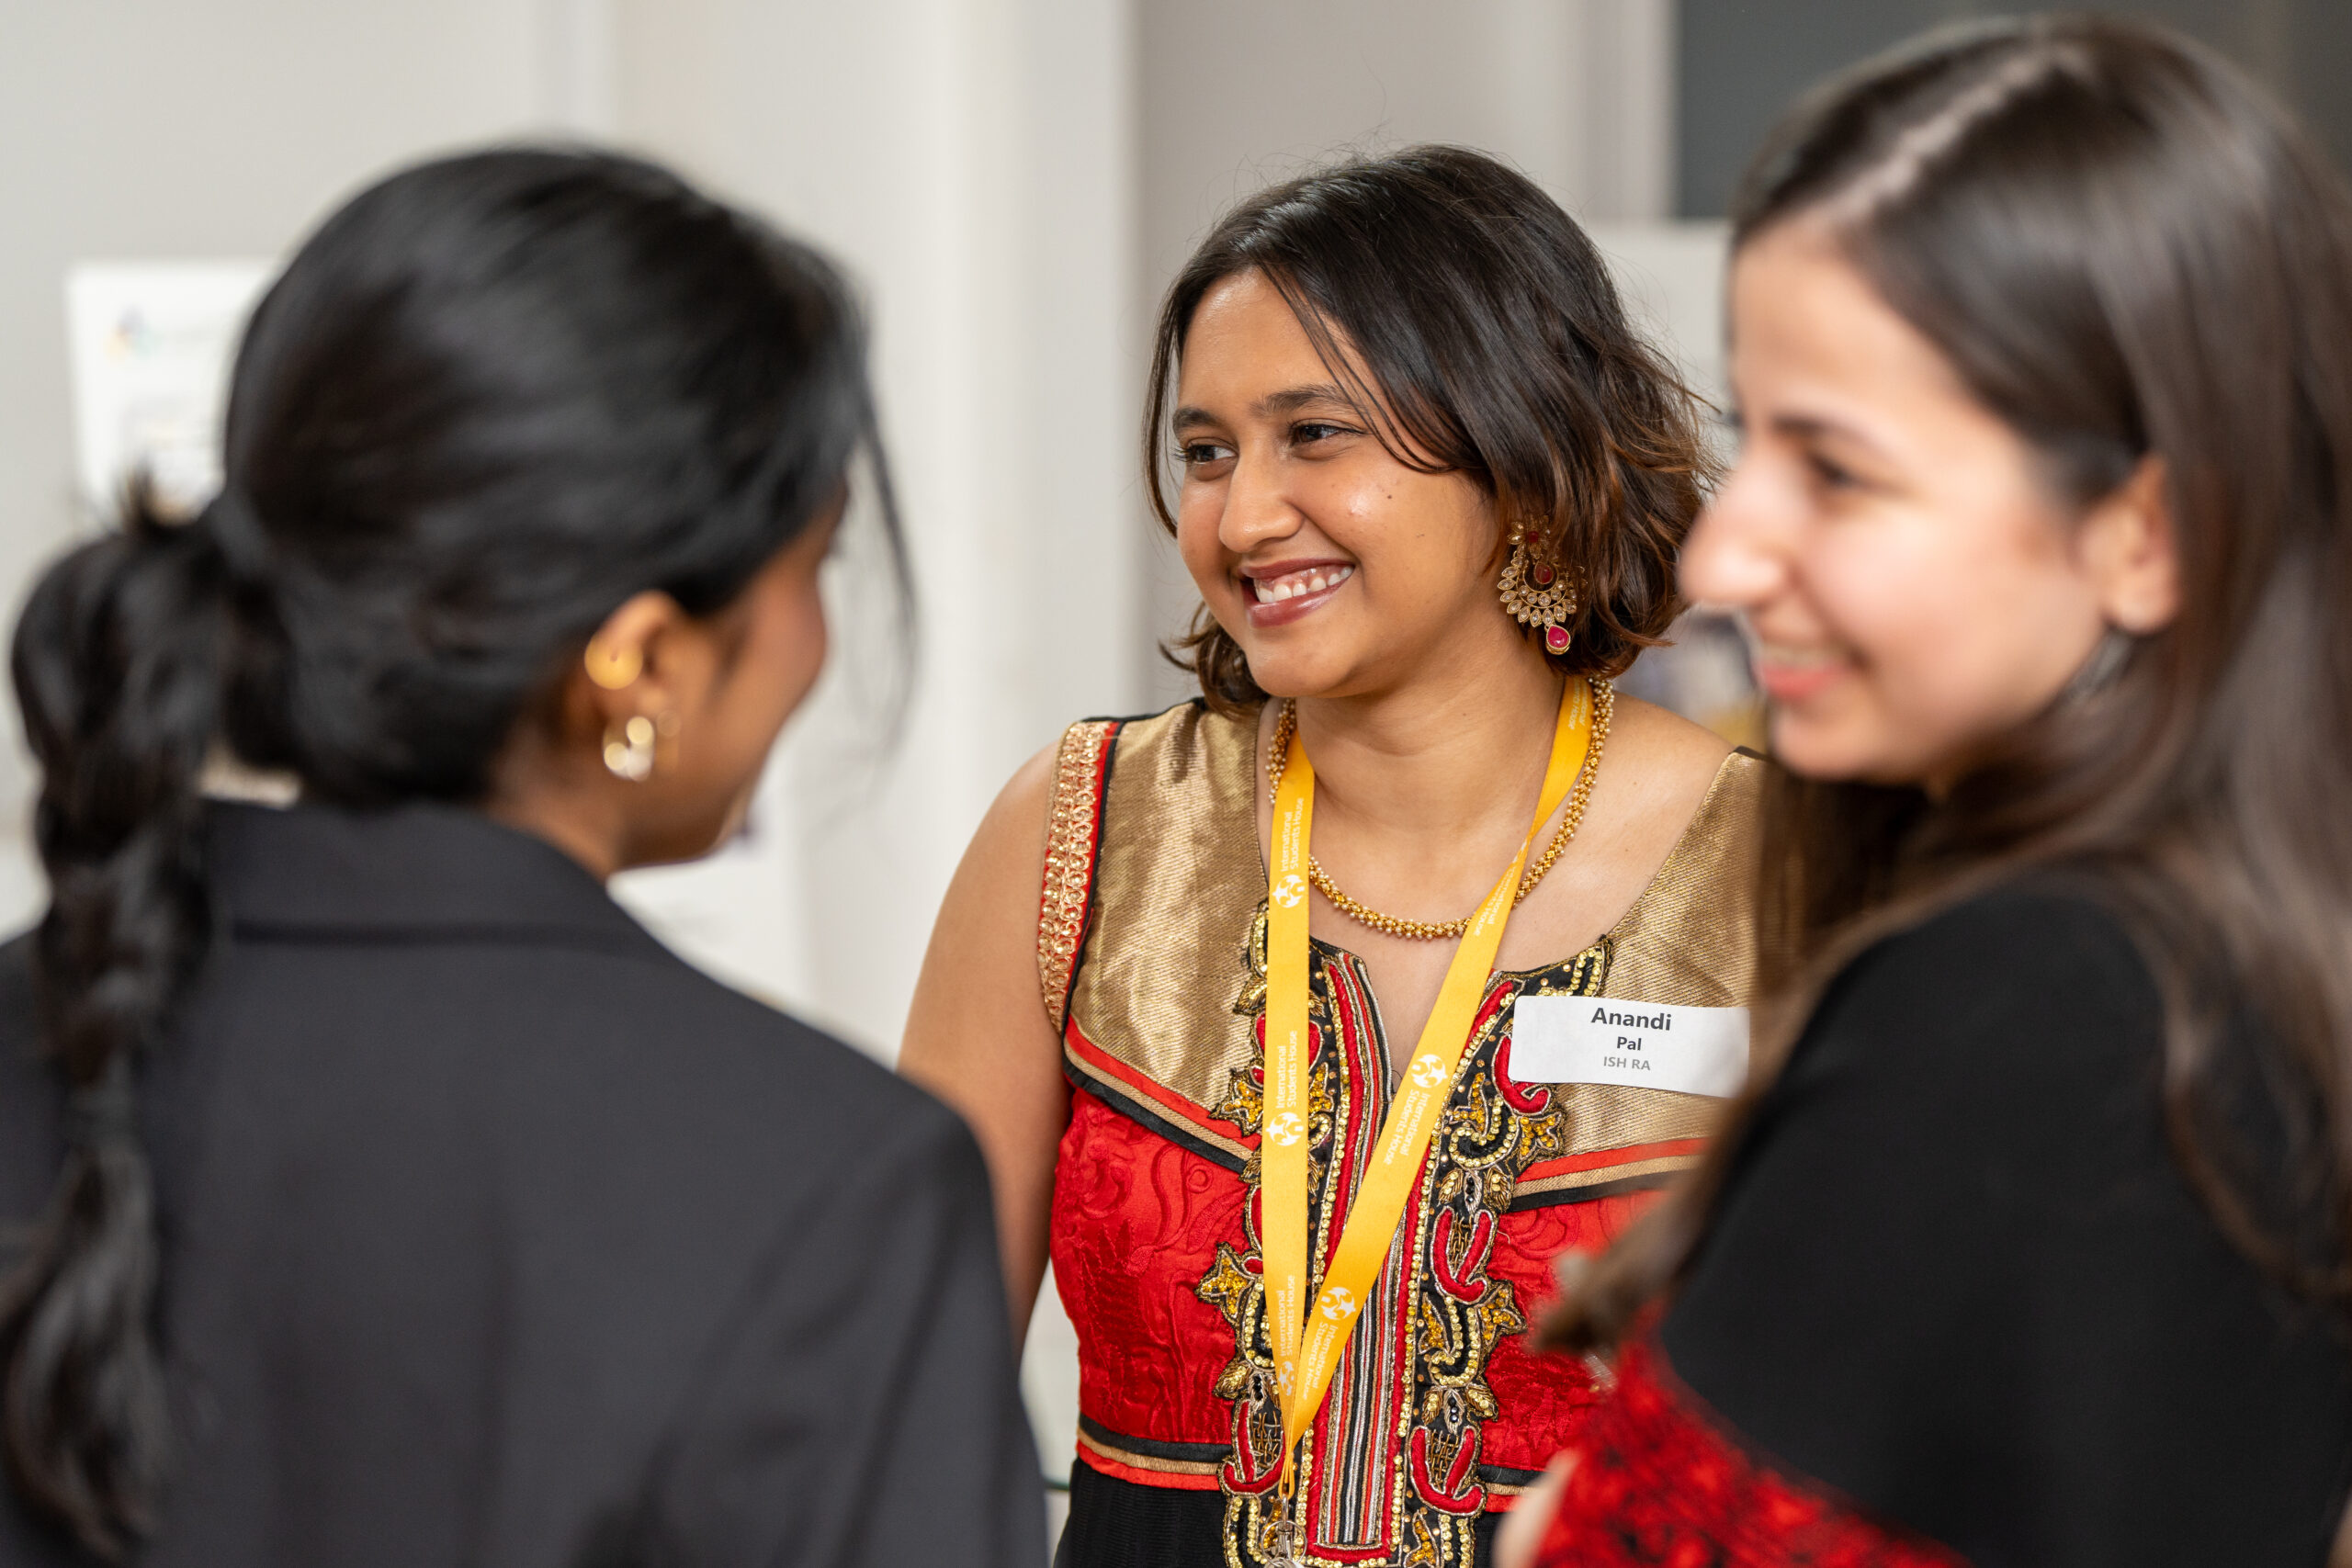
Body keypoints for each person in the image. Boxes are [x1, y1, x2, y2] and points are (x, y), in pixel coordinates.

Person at [0, 150, 1043, 1568]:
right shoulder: (825, 1185)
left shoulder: (49, 1023)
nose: (817, 640)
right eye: (818, 562)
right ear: (641, 662)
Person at [1498, 17, 2352, 1568]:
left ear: (2143, 532)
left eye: (1839, 470)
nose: (1723, 557)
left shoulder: (2023, 1002)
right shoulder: (2238, 958)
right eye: (1756, 442)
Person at [903, 147, 1763, 1568]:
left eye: (1315, 435)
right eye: (1204, 451)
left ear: (1521, 449)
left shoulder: (1787, 873)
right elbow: (896, 1414)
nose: (1240, 519)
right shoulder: (1082, 832)